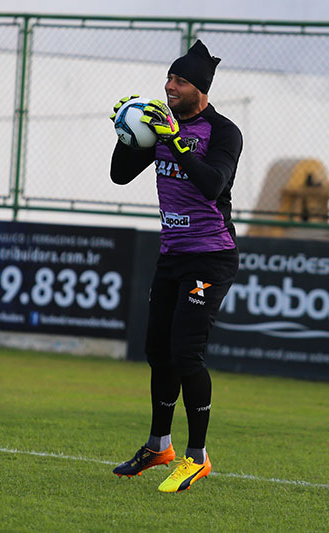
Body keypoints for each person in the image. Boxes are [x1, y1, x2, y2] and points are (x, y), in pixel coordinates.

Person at [108, 40, 243, 493]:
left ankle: (197, 457)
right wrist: (126, 137)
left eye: (179, 81)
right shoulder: (162, 125)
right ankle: (159, 446)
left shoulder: (223, 132)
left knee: (186, 352)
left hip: (212, 255)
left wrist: (175, 142)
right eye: (168, 78)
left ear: (199, 89)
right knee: (157, 351)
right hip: (173, 255)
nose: (169, 86)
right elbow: (120, 175)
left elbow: (211, 184)